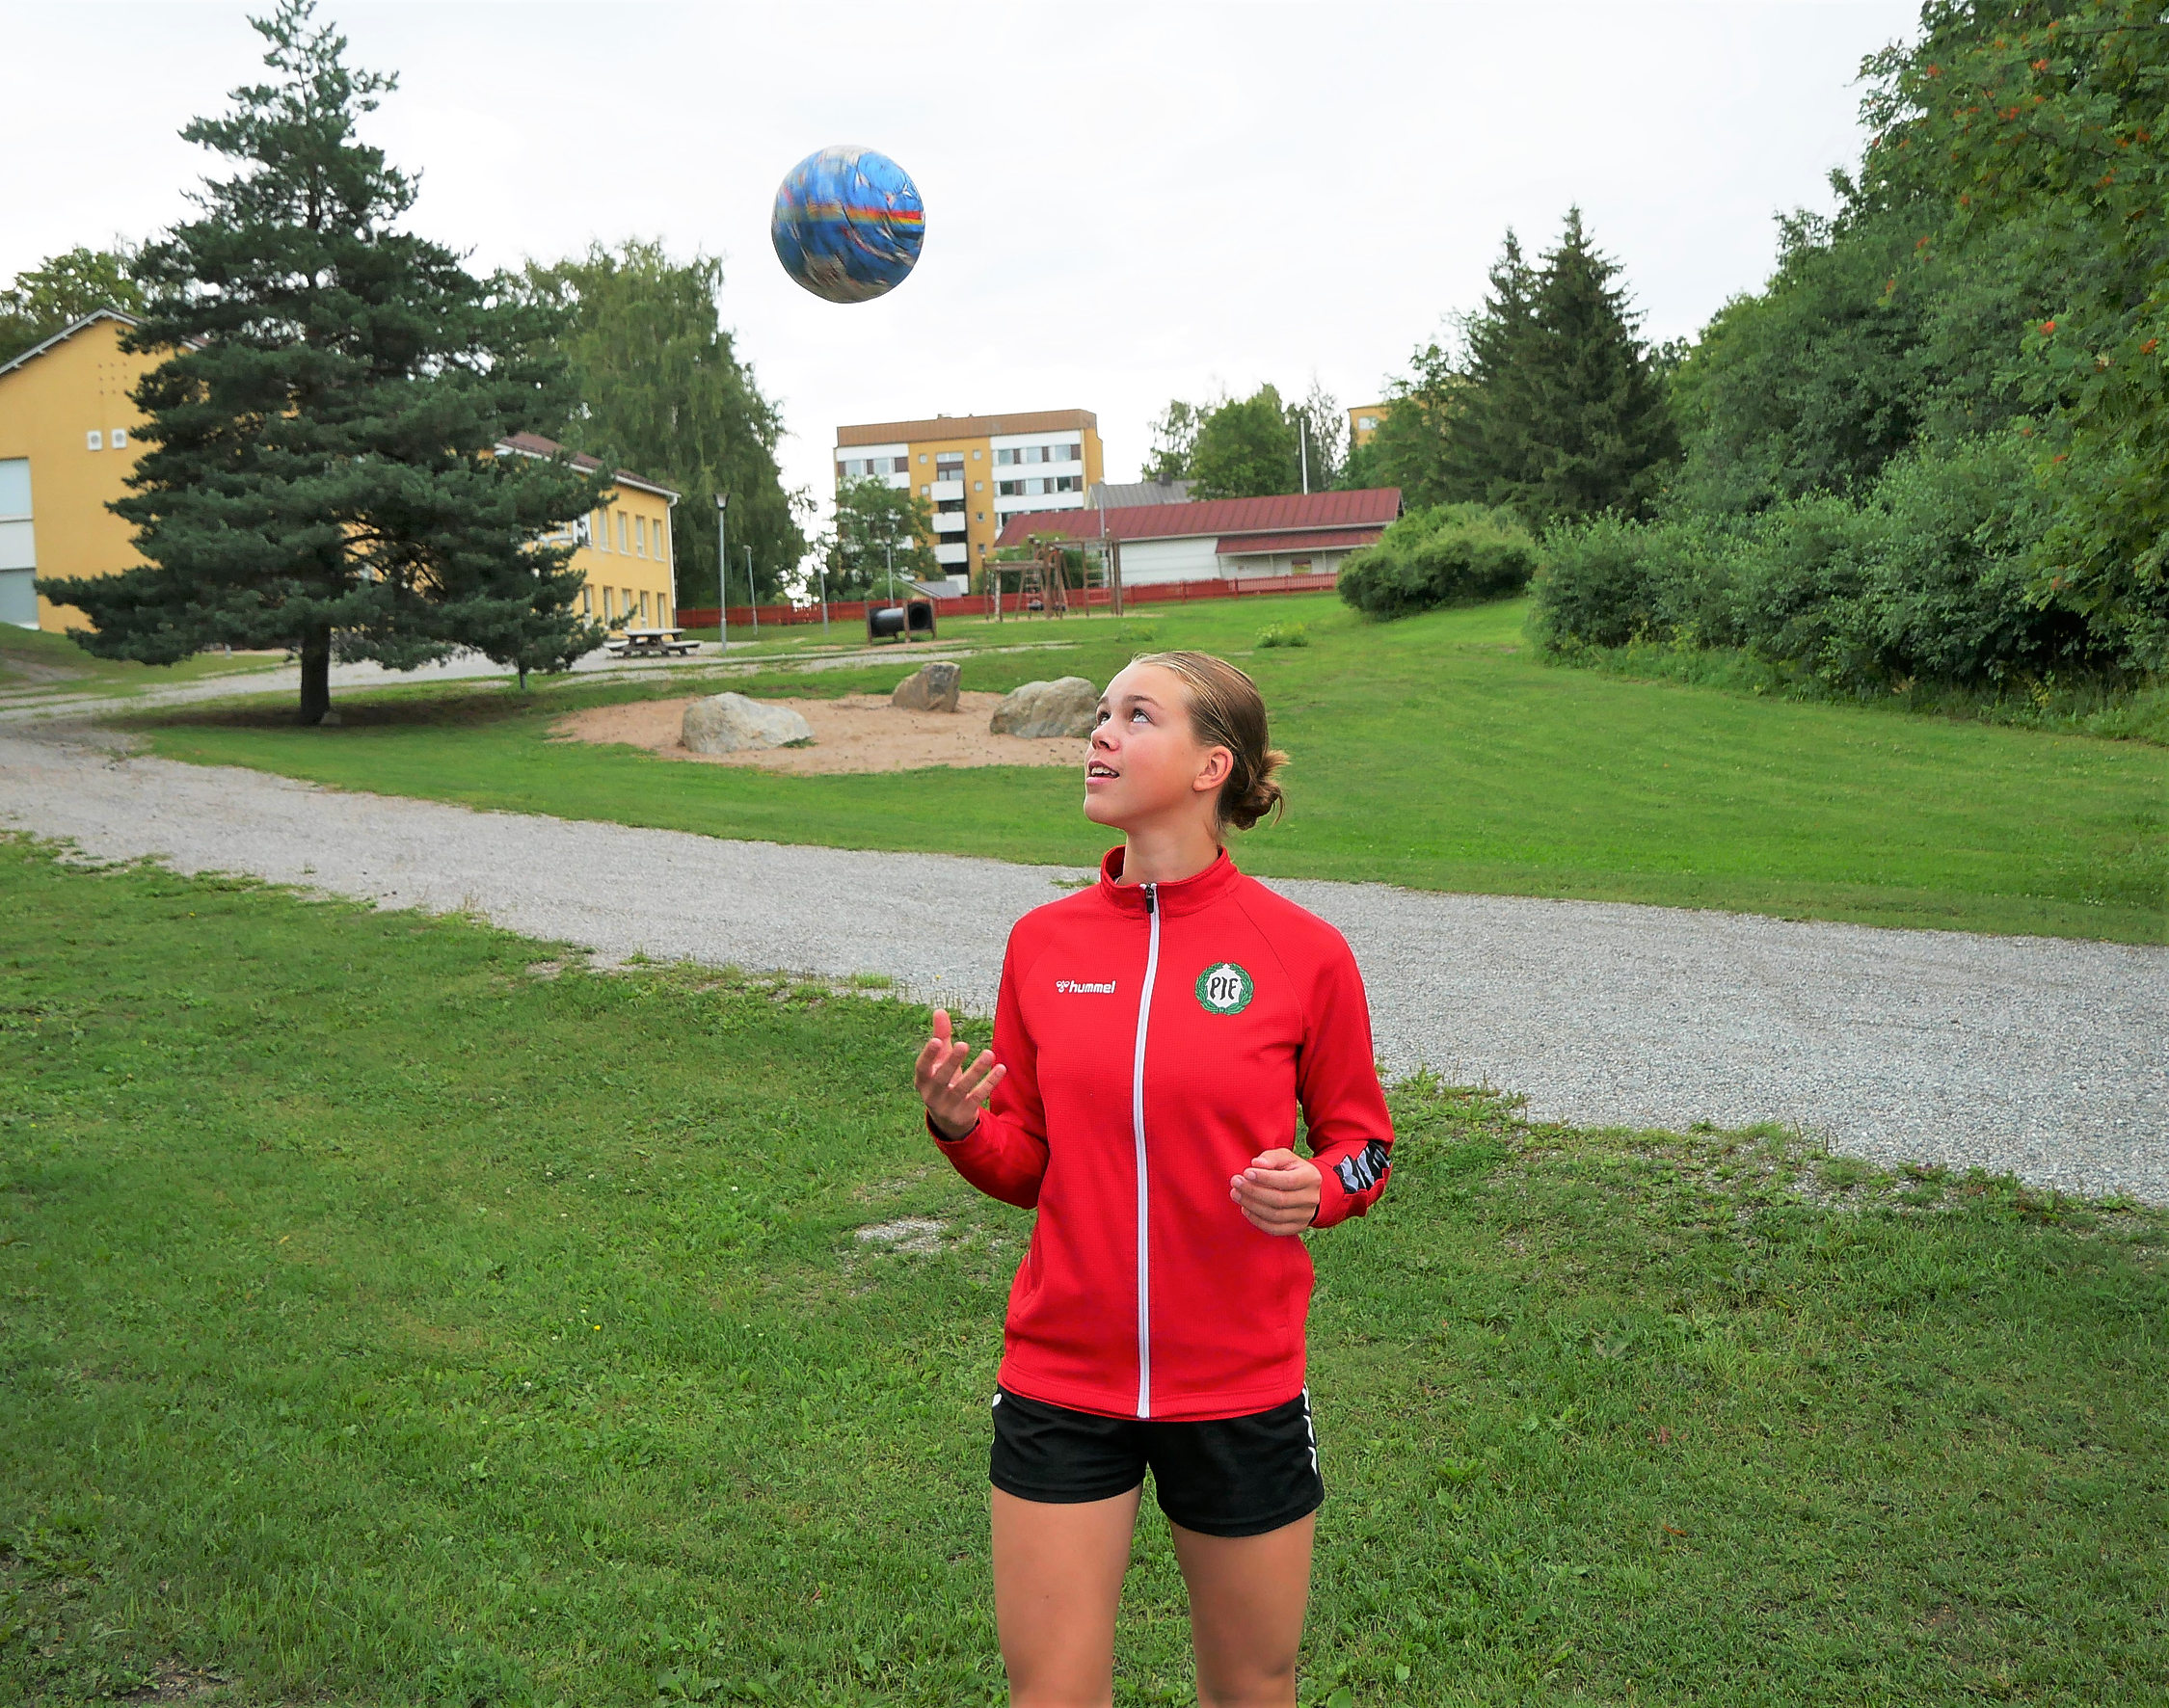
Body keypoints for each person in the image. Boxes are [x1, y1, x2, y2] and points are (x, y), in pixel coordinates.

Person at [913, 650, 1395, 1708]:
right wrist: (959, 1126)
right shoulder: (1043, 943)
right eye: (1099, 713)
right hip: (1061, 1380)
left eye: (1136, 716)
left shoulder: (1303, 951)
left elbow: (1366, 1141)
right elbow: (1029, 1158)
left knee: (1251, 1685)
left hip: (1239, 1384)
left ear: (1212, 764)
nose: (1100, 733)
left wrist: (1316, 1188)